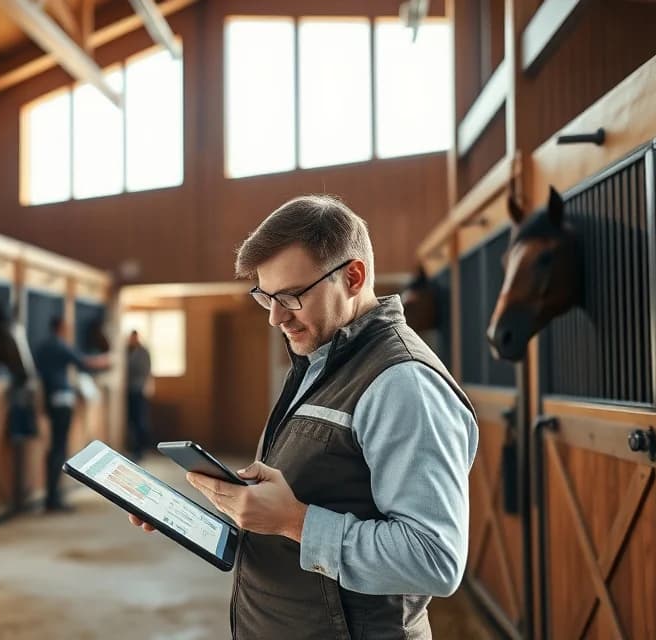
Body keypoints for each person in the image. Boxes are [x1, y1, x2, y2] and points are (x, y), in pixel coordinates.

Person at [128, 195, 478, 639]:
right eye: (265, 297)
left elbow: (435, 559)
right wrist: (203, 514)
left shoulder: (403, 383)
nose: (275, 317)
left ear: (353, 277)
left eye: (291, 297)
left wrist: (293, 520)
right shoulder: (321, 361)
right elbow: (317, 497)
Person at [34, 315, 109, 513]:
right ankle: (53, 498)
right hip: (62, 400)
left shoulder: (42, 347)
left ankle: (52, 495)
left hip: (49, 400)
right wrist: (105, 360)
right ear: (61, 327)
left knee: (54, 448)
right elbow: (84, 363)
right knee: (59, 448)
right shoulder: (59, 345)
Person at [125, 330, 153, 460]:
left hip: (139, 390)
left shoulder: (143, 352)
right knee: (132, 420)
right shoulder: (127, 351)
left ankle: (141, 449)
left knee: (140, 420)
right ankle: (135, 447)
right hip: (129, 390)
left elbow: (145, 371)